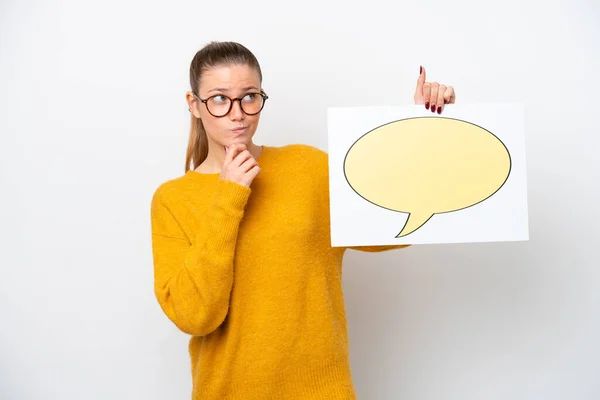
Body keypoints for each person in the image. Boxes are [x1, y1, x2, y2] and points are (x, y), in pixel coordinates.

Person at [150, 41, 456, 400]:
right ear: (194, 105)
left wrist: (426, 126)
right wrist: (229, 197)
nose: (237, 113)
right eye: (219, 99)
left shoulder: (307, 169)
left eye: (249, 96)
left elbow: (396, 223)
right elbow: (195, 316)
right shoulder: (172, 200)